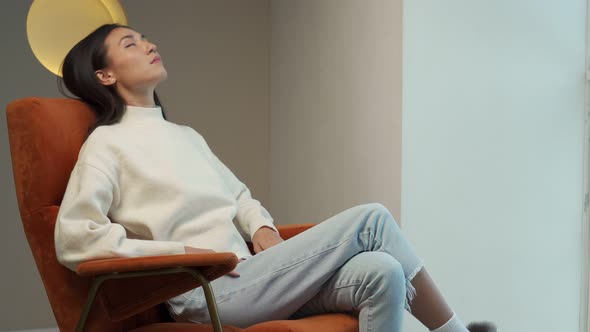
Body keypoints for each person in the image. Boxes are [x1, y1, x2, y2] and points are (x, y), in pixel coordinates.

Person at [55, 23, 496, 332]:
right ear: (105, 75)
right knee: (373, 219)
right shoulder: (106, 145)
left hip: (253, 278)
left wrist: (260, 226)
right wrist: (182, 252)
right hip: (205, 294)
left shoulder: (184, 136)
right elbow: (76, 239)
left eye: (144, 38)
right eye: (130, 44)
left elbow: (239, 195)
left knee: (382, 271)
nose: (148, 44)